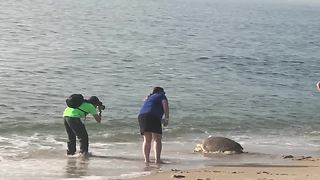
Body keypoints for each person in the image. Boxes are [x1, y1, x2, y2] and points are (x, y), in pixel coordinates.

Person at [138, 87, 169, 163]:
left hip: (142, 116)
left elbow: (150, 109)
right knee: (157, 140)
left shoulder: (149, 98)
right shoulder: (161, 95)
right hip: (153, 116)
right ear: (160, 91)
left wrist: (159, 119)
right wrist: (167, 118)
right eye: (164, 92)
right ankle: (157, 160)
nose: (164, 93)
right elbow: (165, 105)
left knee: (147, 139)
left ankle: (147, 160)